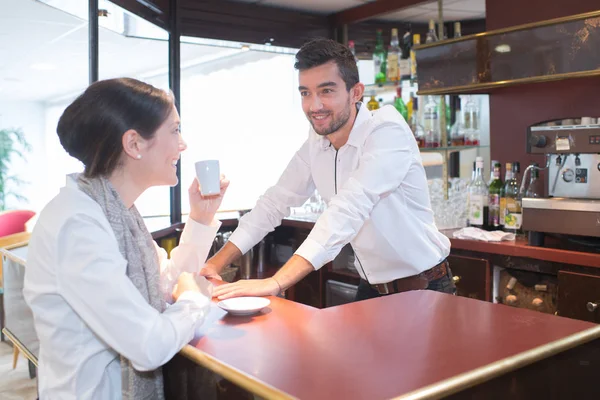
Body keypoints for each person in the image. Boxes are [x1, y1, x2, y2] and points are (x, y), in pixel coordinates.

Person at [203, 38, 454, 302]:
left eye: (326, 91)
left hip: (426, 287)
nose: (314, 106)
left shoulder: (386, 130)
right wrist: (214, 264)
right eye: (305, 93)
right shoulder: (316, 143)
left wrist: (276, 282)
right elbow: (273, 204)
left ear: (356, 92)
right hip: (371, 287)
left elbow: (348, 209)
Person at [23, 78, 228, 400]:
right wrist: (194, 300)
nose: (183, 144)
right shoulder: (77, 223)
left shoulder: (116, 211)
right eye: (174, 130)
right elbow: (148, 345)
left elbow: (164, 285)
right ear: (134, 144)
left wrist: (200, 218)